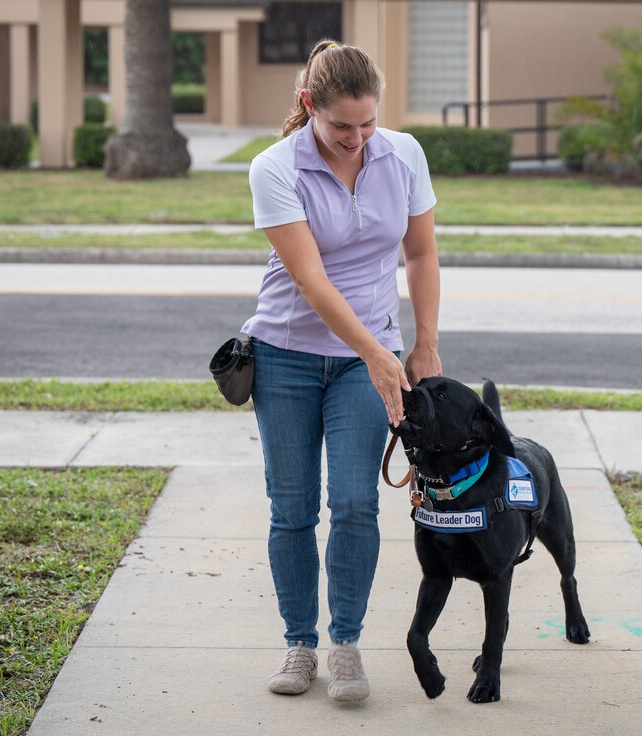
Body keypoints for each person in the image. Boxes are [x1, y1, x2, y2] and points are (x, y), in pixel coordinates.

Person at [241, 39, 441, 702]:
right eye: (340, 126)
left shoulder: (403, 153)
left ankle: (345, 643)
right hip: (287, 357)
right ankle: (300, 644)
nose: (357, 138)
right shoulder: (275, 168)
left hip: (370, 360)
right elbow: (310, 277)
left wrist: (424, 345)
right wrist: (380, 354)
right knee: (292, 507)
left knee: (355, 504)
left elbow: (420, 255)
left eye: (368, 123)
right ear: (309, 106)